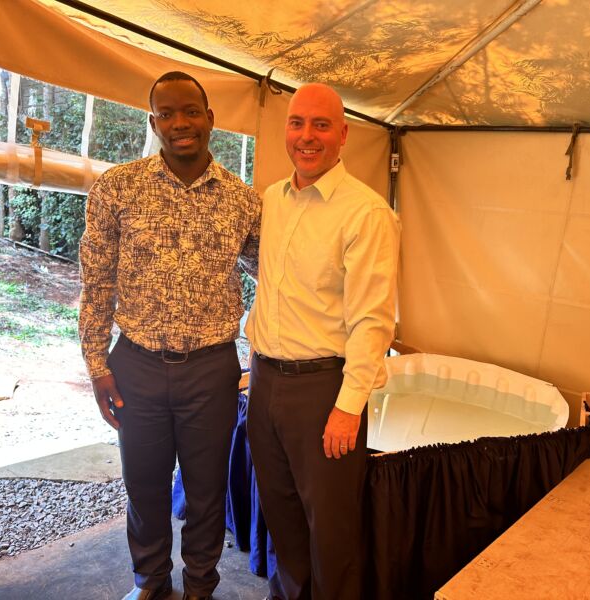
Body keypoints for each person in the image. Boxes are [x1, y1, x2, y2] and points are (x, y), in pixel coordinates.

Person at [79, 71, 260, 600]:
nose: (180, 123)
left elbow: (274, 274)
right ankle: (151, 582)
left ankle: (200, 586)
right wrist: (97, 365)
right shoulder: (117, 187)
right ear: (153, 122)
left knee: (206, 490)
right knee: (144, 486)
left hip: (211, 369)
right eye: (167, 113)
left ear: (210, 118)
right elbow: (96, 281)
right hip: (136, 365)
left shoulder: (242, 200)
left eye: (191, 111)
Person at [245, 83, 400, 600]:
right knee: (282, 517)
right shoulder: (272, 198)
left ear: (344, 134)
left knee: (331, 534)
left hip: (323, 390)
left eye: (321, 124)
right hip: (265, 381)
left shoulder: (366, 213)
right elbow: (273, 286)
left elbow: (373, 320)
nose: (306, 136)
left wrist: (349, 406)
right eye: (297, 123)